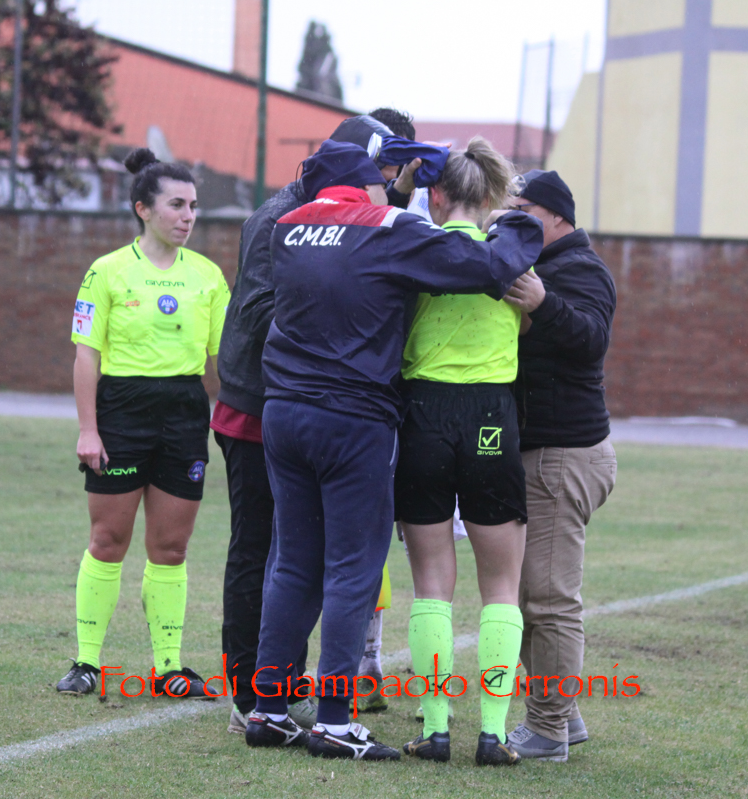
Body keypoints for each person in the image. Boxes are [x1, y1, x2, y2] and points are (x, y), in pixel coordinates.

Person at [241, 140, 542, 762]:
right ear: (368, 184)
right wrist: (519, 225)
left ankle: (268, 709)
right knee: (353, 568)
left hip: (284, 410)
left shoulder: (287, 227)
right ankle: (334, 719)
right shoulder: (390, 228)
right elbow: (483, 266)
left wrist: (403, 192)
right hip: (355, 416)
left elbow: (351, 249)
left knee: (292, 564)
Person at [212, 111, 420, 734]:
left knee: (300, 554)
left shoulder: (333, 215)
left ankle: (282, 689)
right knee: (263, 551)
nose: (383, 184)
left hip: (294, 398)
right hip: (260, 404)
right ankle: (250, 692)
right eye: (380, 172)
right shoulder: (280, 220)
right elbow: (260, 310)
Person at [56, 148, 230, 698]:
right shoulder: (106, 271)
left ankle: (168, 668)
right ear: (143, 209)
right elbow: (86, 355)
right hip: (122, 412)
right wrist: (89, 429)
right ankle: (87, 662)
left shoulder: (207, 276)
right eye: (176, 205)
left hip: (184, 412)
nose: (187, 216)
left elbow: (226, 357)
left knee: (171, 548)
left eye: (193, 206)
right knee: (108, 539)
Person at [394, 137, 527, 766]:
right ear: (491, 194)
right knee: (501, 585)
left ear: (437, 194)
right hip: (491, 415)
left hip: (425, 410)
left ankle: (436, 728)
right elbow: (532, 321)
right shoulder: (514, 260)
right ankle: (494, 734)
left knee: (431, 583)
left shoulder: (416, 252)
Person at [501, 170, 618, 761]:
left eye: (520, 209)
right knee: (526, 597)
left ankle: (547, 728)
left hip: (562, 455)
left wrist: (544, 304)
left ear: (554, 216)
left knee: (547, 599)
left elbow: (592, 338)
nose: (510, 219)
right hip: (545, 453)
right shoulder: (537, 262)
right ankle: (564, 716)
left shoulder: (580, 268)